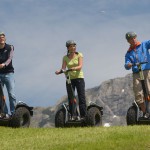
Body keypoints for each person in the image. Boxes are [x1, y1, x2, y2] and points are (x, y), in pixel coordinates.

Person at [55, 40, 87, 120]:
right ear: (68, 48)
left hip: (79, 78)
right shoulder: (65, 57)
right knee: (71, 98)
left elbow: (80, 66)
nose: (73, 47)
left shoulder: (79, 54)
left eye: (74, 46)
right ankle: (74, 115)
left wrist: (74, 68)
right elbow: (63, 68)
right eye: (71, 46)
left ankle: (83, 116)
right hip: (70, 80)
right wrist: (59, 71)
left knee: (81, 97)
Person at [124, 31, 150, 118]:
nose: (133, 40)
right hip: (136, 73)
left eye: (134, 37)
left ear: (136, 37)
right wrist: (128, 64)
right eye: (131, 39)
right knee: (138, 94)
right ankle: (145, 112)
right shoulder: (128, 53)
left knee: (149, 91)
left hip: (146, 70)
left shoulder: (144, 45)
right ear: (128, 41)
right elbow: (126, 64)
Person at [0, 32, 16, 118]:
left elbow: (10, 58)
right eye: (0, 38)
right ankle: (5, 113)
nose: (1, 38)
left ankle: (13, 114)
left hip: (9, 73)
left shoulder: (10, 47)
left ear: (5, 39)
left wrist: (4, 64)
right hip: (0, 74)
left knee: (11, 94)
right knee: (0, 95)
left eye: (3, 37)